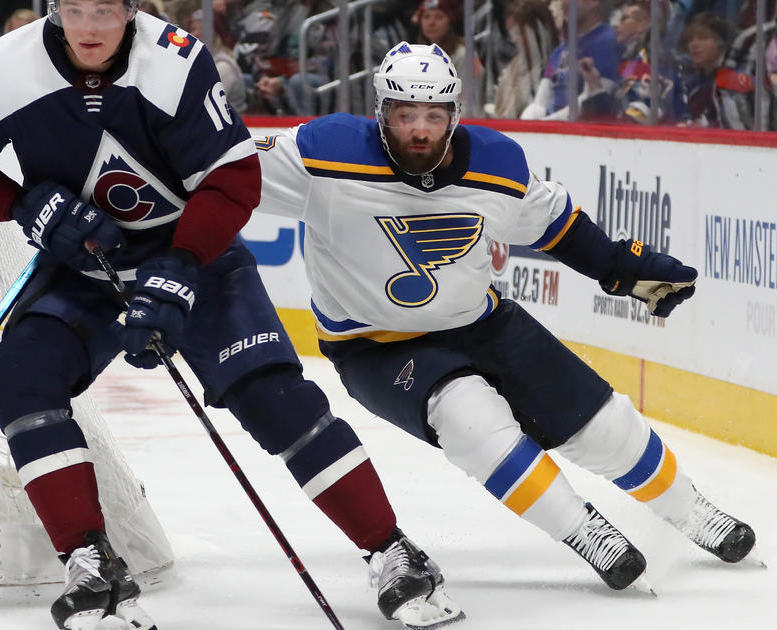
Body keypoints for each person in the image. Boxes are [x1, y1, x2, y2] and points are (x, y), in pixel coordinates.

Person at [0, 2, 464, 628]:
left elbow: (233, 177)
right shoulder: (1, 67)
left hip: (193, 258)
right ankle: (92, 568)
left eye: (105, 9)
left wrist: (179, 267)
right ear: (53, 8)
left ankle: (393, 550)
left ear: (129, 7)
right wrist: (29, 205)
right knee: (21, 378)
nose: (90, 27)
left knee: (274, 398)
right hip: (85, 267)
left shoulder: (174, 60)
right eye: (75, 9)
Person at [253, 41, 757, 594]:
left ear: (454, 114)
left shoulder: (496, 162)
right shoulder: (323, 153)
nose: (419, 129)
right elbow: (219, 168)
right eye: (404, 115)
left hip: (482, 321)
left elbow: (556, 223)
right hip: (376, 346)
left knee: (603, 424)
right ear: (381, 112)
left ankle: (692, 510)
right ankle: (582, 529)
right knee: (470, 418)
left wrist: (618, 267)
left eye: (433, 115)